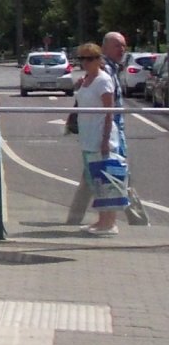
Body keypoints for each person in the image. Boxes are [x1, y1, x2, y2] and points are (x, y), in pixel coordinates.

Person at [66, 32, 149, 225]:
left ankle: (80, 220)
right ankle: (134, 222)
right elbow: (107, 109)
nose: (122, 49)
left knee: (99, 176)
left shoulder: (106, 70)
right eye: (117, 46)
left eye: (123, 46)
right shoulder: (104, 71)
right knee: (114, 175)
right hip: (105, 134)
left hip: (104, 134)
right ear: (105, 49)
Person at [71, 42, 122, 236]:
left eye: (90, 58)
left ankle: (109, 223)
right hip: (88, 136)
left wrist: (105, 139)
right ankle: (102, 220)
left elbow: (110, 112)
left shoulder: (103, 80)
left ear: (99, 60)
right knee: (96, 181)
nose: (86, 62)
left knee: (107, 180)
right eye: (82, 58)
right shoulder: (86, 79)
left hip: (101, 137)